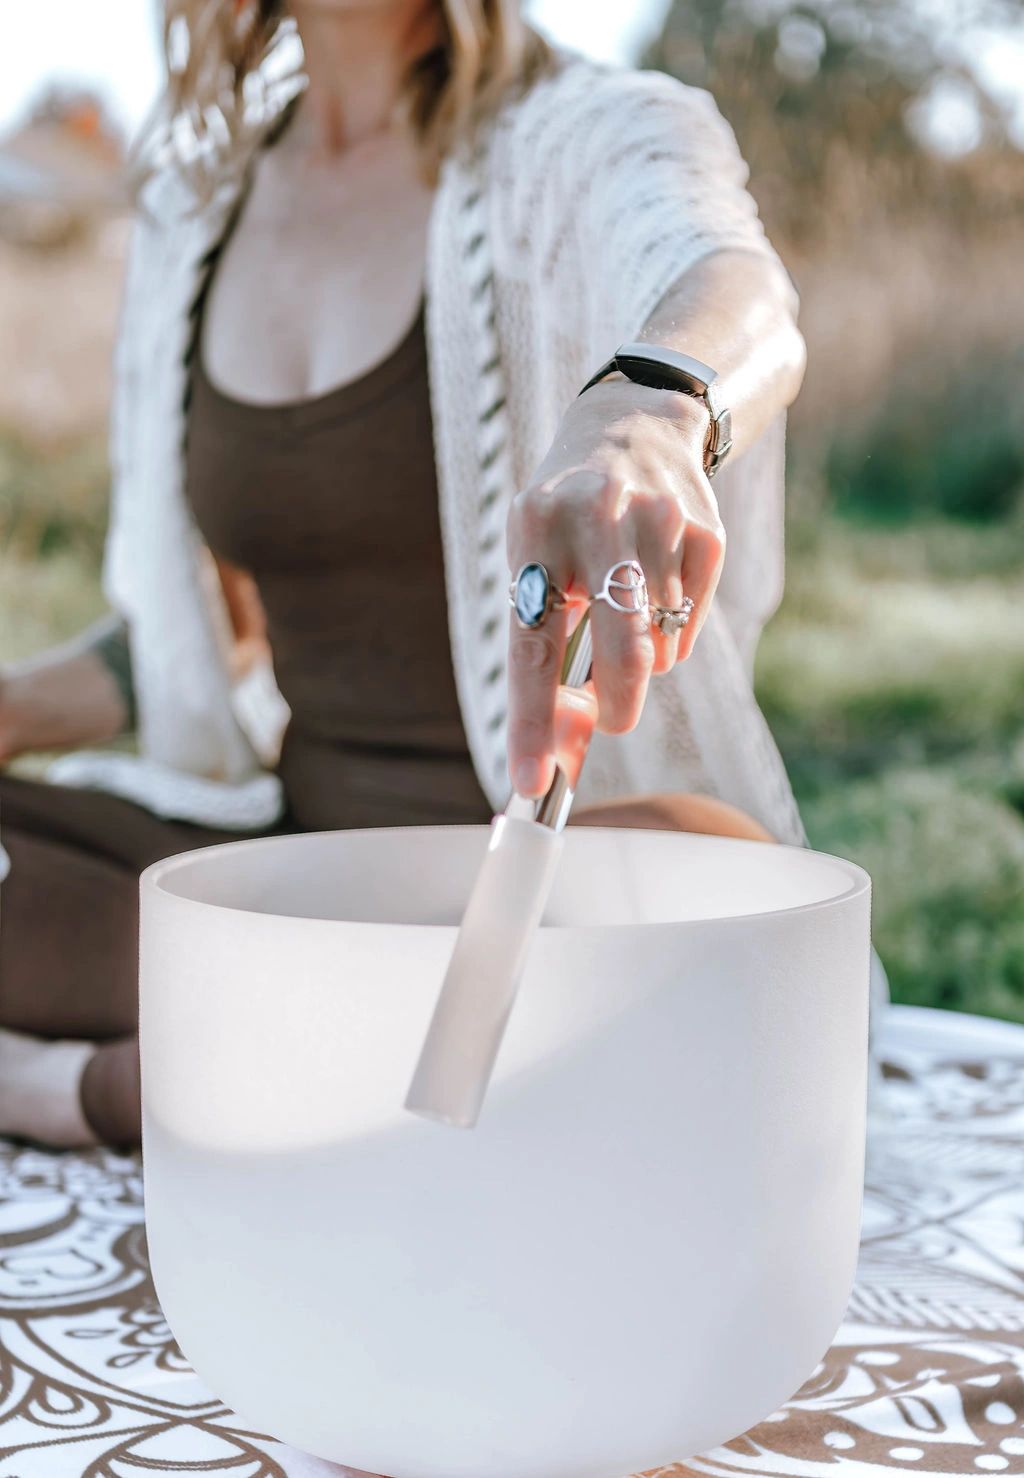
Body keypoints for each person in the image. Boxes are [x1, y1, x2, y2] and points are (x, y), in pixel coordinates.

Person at [0, 0, 807, 1152]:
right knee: (341, 978)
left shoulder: (597, 131)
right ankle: (297, 1064)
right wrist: (14, 705)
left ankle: (92, 1085)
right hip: (291, 872)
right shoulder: (194, 207)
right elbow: (214, 630)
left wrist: (650, 408)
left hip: (549, 881)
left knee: (717, 889)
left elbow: (736, 281)